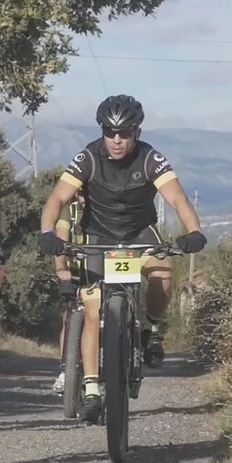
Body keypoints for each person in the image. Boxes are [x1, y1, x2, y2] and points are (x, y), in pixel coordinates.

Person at [37, 94, 207, 424]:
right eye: (110, 133)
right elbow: (58, 197)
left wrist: (194, 230)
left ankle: (152, 330)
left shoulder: (149, 158)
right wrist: (47, 233)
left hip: (138, 235)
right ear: (102, 131)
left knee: (163, 274)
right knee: (91, 308)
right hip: (98, 238)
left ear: (136, 133)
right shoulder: (87, 157)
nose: (117, 140)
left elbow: (177, 197)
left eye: (125, 133)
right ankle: (90, 389)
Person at [51, 193, 86, 395]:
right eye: (82, 194)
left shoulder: (107, 210)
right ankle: (65, 370)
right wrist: (61, 269)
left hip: (103, 271)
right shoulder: (69, 212)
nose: (85, 199)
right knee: (69, 315)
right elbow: (61, 243)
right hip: (75, 272)